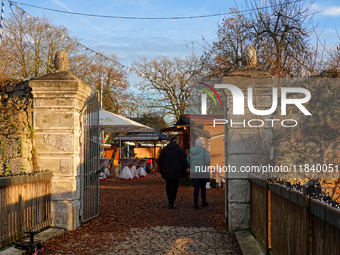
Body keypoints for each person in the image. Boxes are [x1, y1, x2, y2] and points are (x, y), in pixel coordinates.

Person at [158, 135, 187, 209]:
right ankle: (172, 201)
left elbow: (160, 161)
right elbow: (183, 162)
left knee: (168, 184)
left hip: (167, 171)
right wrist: (184, 171)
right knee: (174, 186)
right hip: (177, 171)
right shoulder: (180, 150)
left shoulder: (164, 150)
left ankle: (169, 198)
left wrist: (161, 170)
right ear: (177, 141)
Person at [187, 138, 210, 209]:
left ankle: (195, 203)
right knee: (203, 187)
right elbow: (207, 162)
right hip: (202, 172)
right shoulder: (205, 151)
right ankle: (203, 201)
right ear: (201, 144)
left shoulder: (191, 152)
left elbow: (188, 162)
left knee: (196, 188)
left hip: (194, 172)